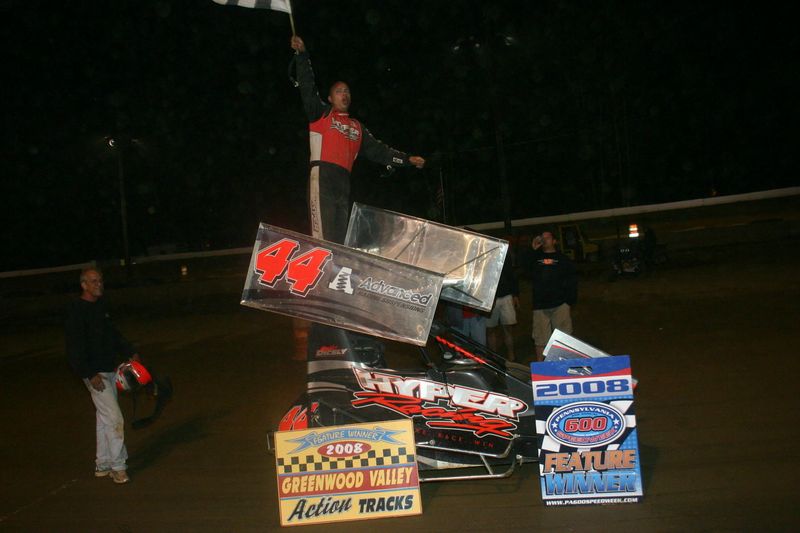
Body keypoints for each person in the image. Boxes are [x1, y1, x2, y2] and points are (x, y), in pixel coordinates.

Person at [290, 35, 426, 244]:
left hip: (343, 181)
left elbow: (382, 152)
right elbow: (307, 88)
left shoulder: (357, 128)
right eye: (338, 91)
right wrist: (302, 56)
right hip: (322, 176)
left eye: (347, 91)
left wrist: (408, 160)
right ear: (330, 98)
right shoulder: (321, 114)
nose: (344, 94)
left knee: (339, 239)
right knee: (323, 238)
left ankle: (335, 273)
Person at [65, 268, 138, 484]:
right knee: (115, 418)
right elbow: (73, 348)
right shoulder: (76, 310)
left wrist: (130, 350)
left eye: (101, 280)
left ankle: (103, 463)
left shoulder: (101, 307)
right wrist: (88, 373)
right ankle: (118, 466)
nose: (99, 284)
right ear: (84, 285)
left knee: (104, 419)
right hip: (95, 374)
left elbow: (113, 334)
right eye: (94, 281)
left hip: (109, 369)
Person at [530, 230, 577, 361]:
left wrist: (569, 301)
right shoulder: (535, 258)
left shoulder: (563, 259)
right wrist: (533, 251)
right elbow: (524, 269)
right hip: (540, 305)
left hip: (560, 304)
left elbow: (572, 279)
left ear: (554, 241)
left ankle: (563, 368)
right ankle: (542, 370)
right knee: (540, 340)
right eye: (542, 237)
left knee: (563, 340)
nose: (544, 240)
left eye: (548, 237)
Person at [486, 257, 520, 361]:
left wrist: (515, 295)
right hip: (490, 298)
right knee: (490, 329)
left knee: (508, 329)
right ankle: (494, 357)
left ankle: (511, 356)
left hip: (506, 296)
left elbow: (512, 275)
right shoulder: (485, 253)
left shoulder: (505, 254)